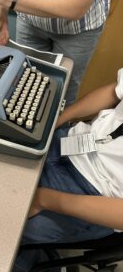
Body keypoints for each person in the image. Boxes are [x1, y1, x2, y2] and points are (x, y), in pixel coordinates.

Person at [13, 67, 123, 271]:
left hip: (95, 193)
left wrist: (45, 199)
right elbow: (115, 92)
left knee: (1, 228)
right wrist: (55, 122)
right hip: (75, 140)